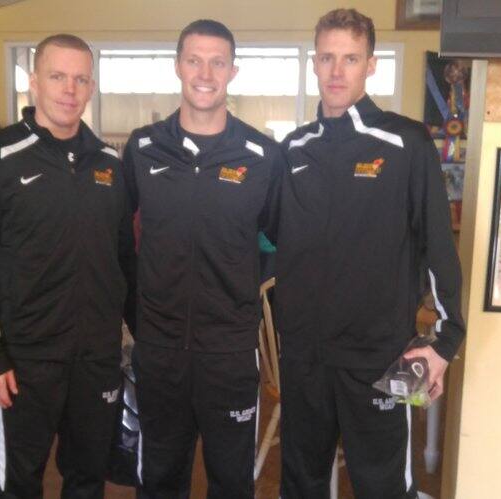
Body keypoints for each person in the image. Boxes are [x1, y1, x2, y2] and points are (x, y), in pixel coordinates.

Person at [275, 9, 466, 499]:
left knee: (386, 488)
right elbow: (277, 240)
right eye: (327, 58)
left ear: (371, 65)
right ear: (314, 64)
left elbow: (439, 247)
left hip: (385, 359)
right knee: (300, 486)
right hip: (305, 358)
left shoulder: (407, 142)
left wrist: (445, 343)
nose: (337, 71)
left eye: (351, 58)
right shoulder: (293, 149)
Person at [0, 33, 135, 499]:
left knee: (87, 478)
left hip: (96, 359)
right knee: (18, 482)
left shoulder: (109, 164)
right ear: (34, 82)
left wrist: (141, 338)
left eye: (80, 79)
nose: (69, 90)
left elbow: (123, 263)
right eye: (57, 76)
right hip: (24, 361)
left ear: (91, 87)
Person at [121, 19, 285, 499]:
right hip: (159, 351)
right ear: (178, 66)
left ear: (233, 71)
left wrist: (243, 300)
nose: (205, 73)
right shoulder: (143, 148)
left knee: (232, 483)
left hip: (229, 354)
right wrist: (138, 316)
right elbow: (116, 240)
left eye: (217, 62)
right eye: (195, 60)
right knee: (158, 481)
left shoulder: (262, 155)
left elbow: (283, 245)